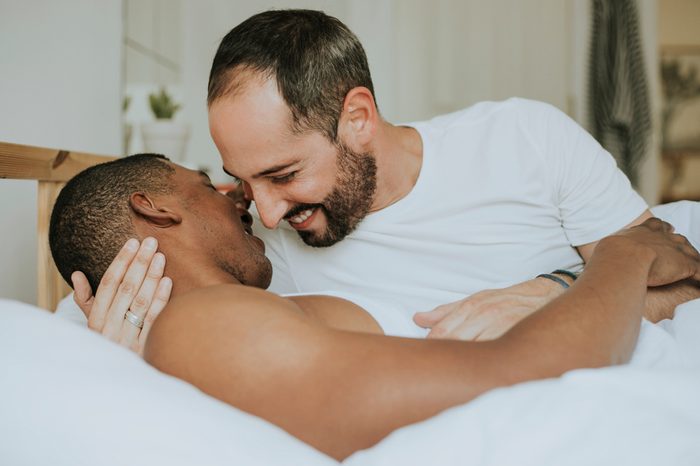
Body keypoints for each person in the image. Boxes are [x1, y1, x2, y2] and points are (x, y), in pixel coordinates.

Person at [72, 9, 699, 343]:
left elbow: (683, 283)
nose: (262, 213)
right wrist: (122, 351)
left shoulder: (527, 139)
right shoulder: (261, 255)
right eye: (239, 179)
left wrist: (550, 293)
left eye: (284, 173)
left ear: (358, 117)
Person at [49, 154, 700, 461]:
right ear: (155, 207)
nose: (237, 196)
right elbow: (516, 375)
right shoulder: (200, 326)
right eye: (205, 183)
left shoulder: (238, 315)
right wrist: (623, 253)